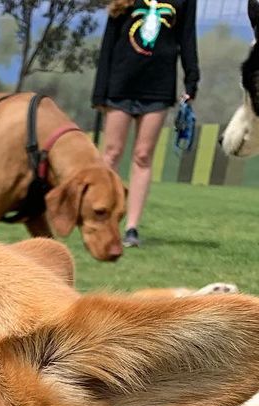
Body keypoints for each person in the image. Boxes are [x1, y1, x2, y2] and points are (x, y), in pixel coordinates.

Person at [92, 0, 199, 248]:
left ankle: (131, 227)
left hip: (158, 87)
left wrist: (192, 80)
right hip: (120, 85)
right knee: (111, 154)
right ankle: (103, 219)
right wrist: (100, 93)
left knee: (142, 155)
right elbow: (108, 43)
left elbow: (187, 38)